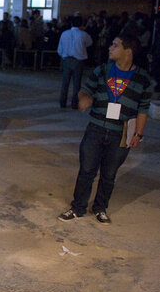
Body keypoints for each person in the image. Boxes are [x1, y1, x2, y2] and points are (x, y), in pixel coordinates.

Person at [58, 34, 151, 225]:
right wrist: (84, 97)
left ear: (128, 51)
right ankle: (77, 207)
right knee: (86, 171)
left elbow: (143, 109)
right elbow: (86, 89)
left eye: (115, 45)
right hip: (96, 128)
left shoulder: (142, 78)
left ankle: (100, 208)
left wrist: (138, 134)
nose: (110, 48)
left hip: (121, 133)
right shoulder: (102, 70)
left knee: (109, 175)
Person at [57, 15, 92, 109]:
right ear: (81, 24)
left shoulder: (64, 33)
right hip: (78, 60)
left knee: (65, 82)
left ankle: (62, 102)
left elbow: (60, 49)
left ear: (71, 23)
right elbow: (90, 43)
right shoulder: (84, 34)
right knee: (77, 83)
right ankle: (74, 103)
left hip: (66, 59)